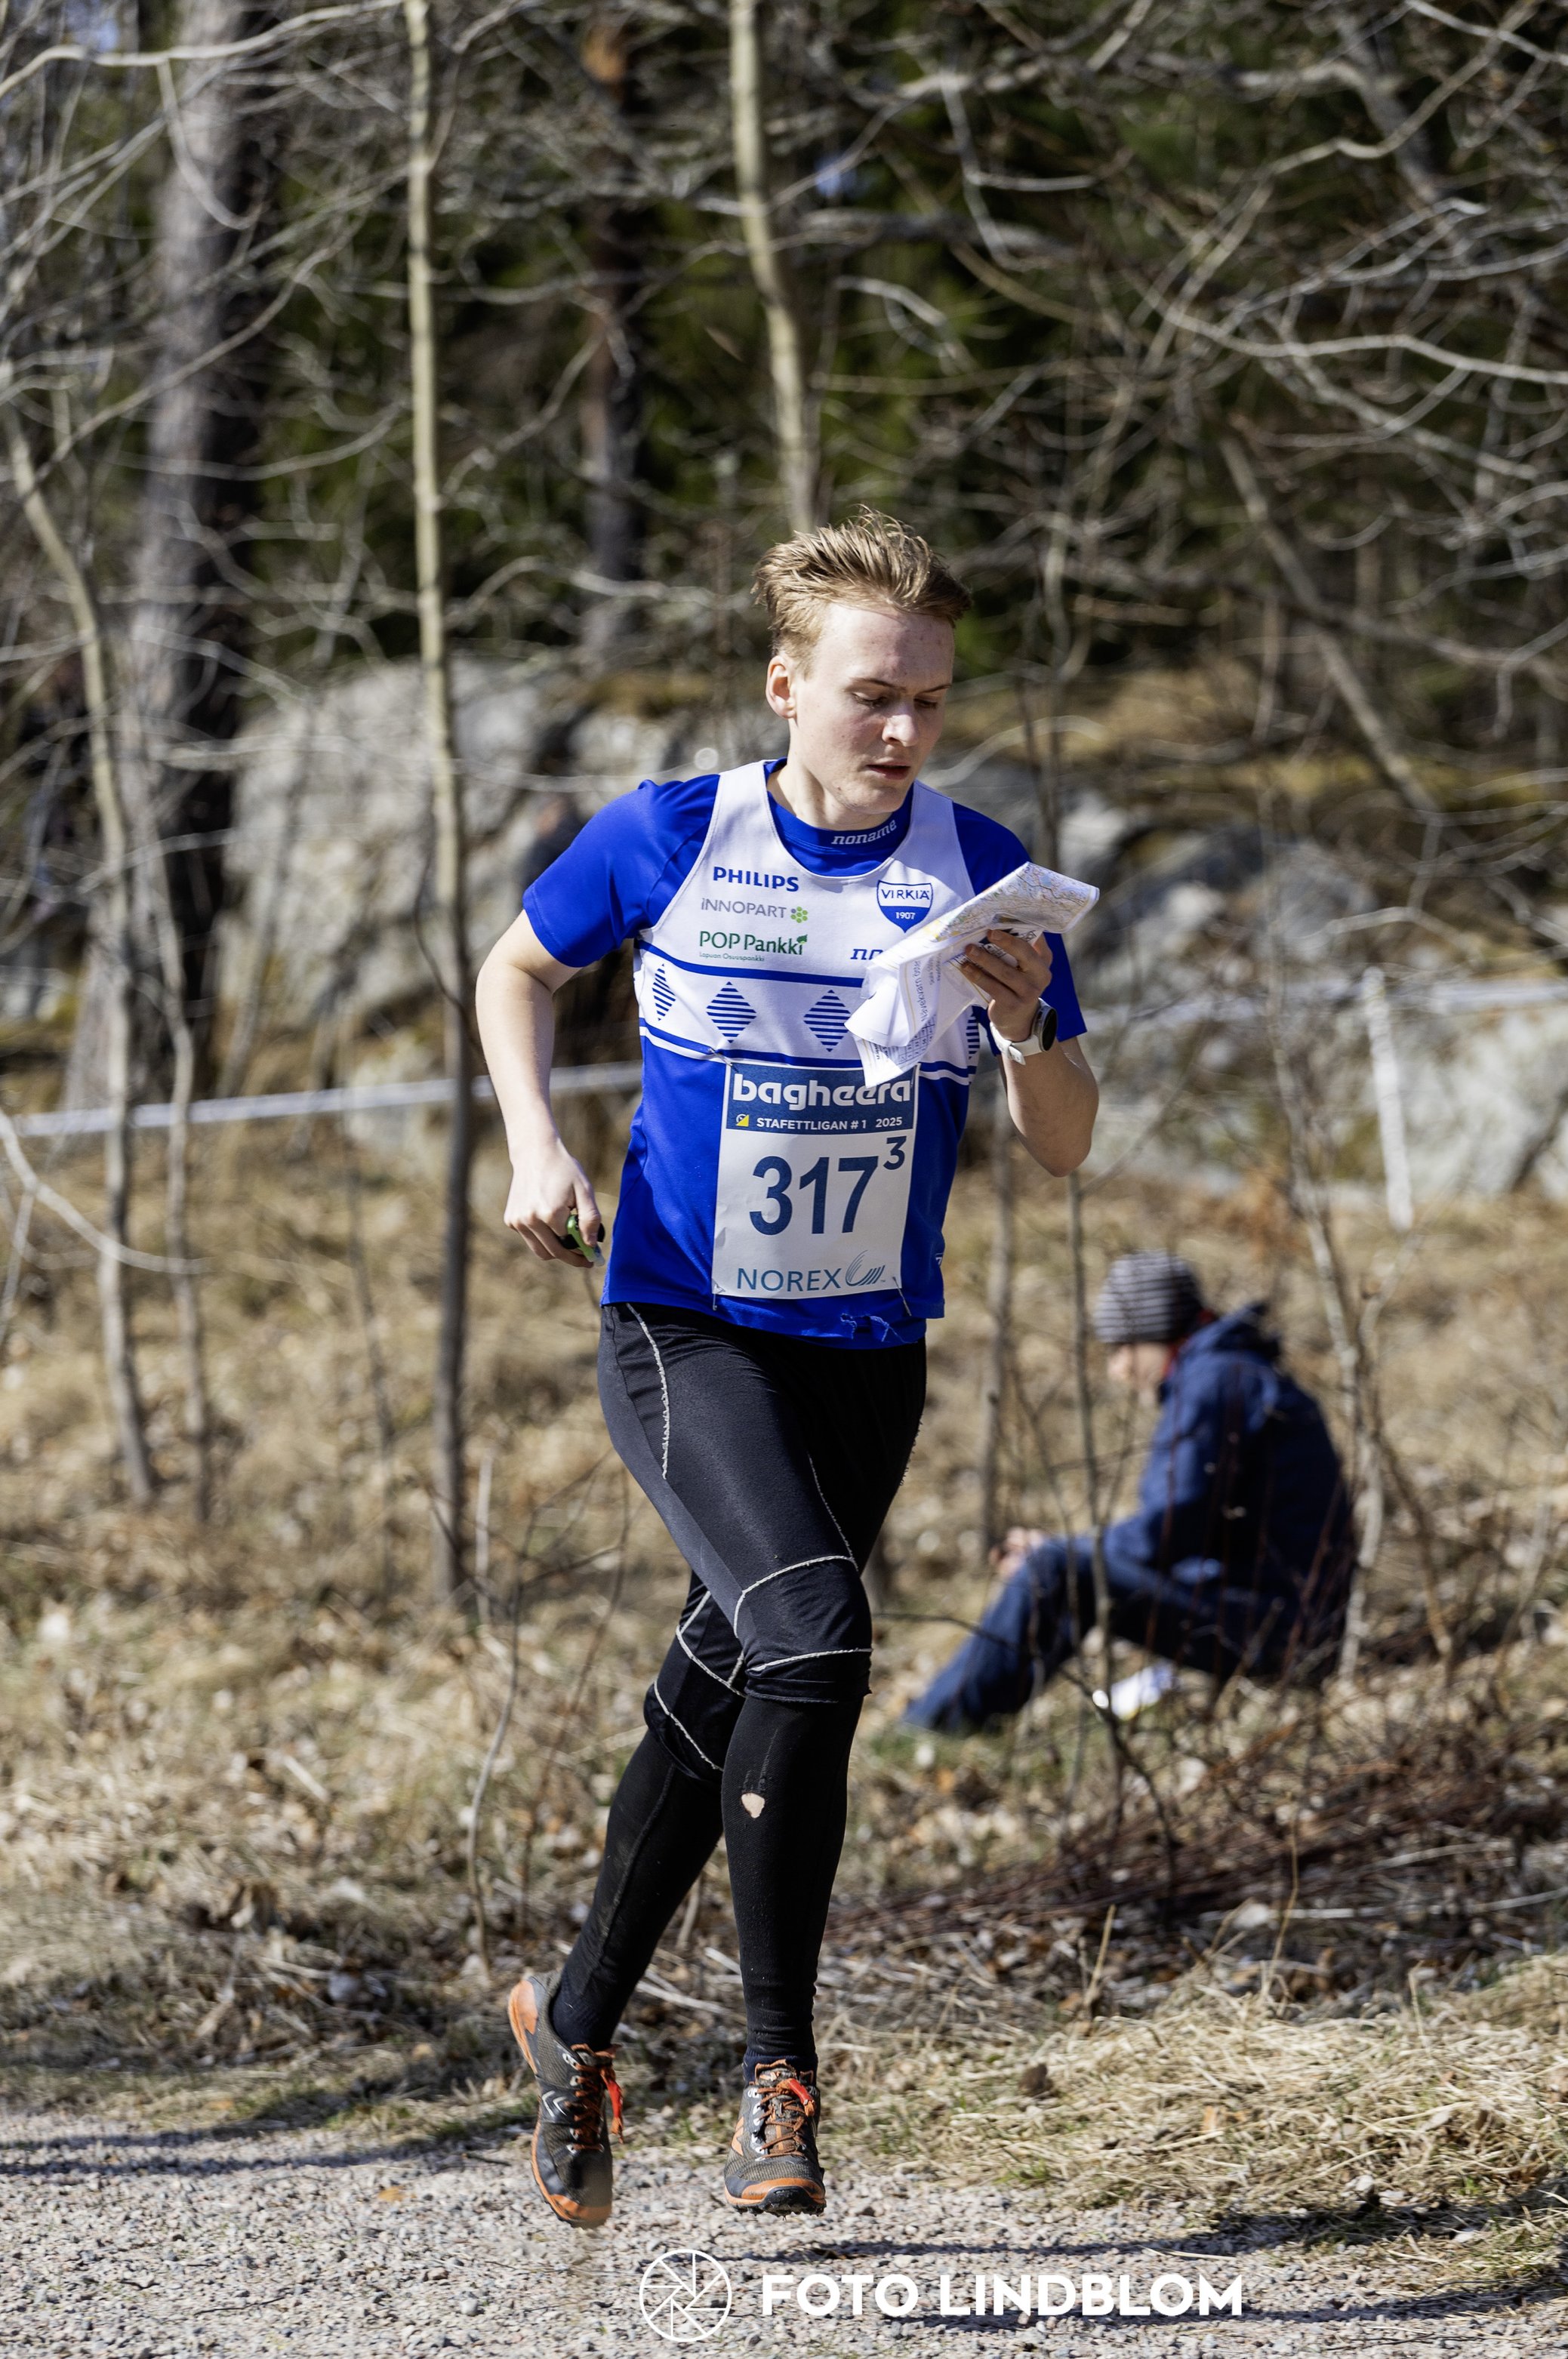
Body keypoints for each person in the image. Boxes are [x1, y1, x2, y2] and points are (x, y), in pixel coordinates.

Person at [475, 510, 1097, 2227]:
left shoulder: (980, 867)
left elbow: (1064, 1143)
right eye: (872, 696)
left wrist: (1032, 1022)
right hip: (685, 1324)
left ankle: (574, 2017)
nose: (904, 731)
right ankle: (775, 2068)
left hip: (865, 1352)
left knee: (730, 1661)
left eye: (931, 701)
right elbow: (517, 971)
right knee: (816, 1640)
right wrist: (537, 1143)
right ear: (787, 687)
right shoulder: (677, 835)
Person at [905, 1253, 1354, 1733]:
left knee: (1054, 1570)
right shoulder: (1232, 1373)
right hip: (1282, 1615)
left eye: (1122, 1348)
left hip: (1278, 1630)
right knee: (1066, 1569)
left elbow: (1168, 1529)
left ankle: (936, 1728)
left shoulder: (1212, 1385)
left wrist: (1059, 1551)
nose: (1118, 1370)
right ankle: (968, 1719)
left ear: (1157, 1333)